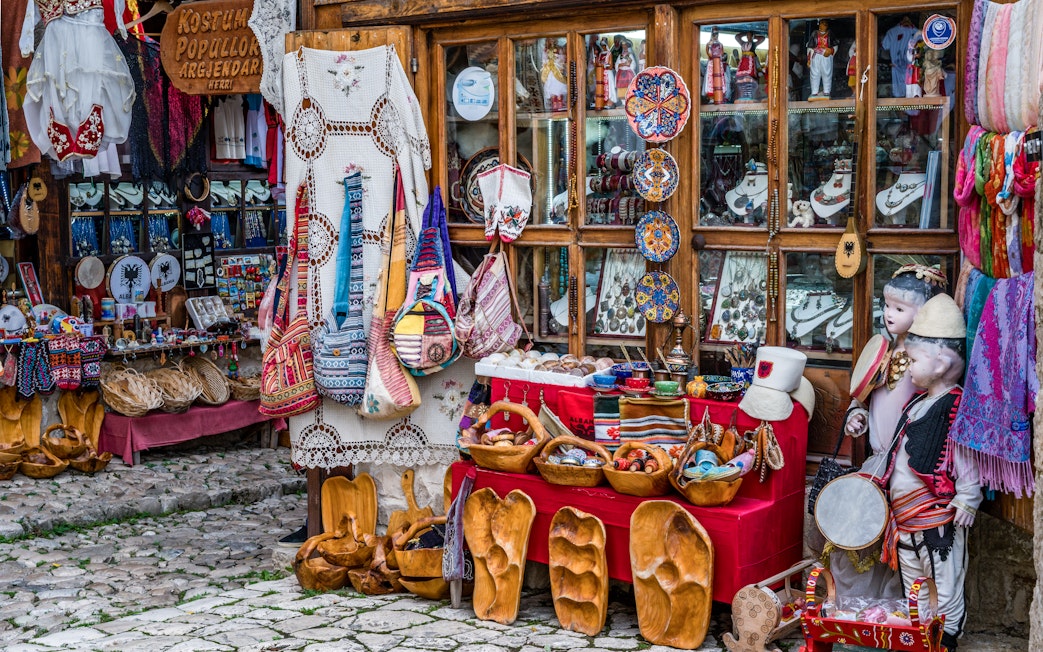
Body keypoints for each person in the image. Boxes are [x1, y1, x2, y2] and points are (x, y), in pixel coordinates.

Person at [876, 293, 980, 652]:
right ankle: (918, 636)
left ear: (940, 364)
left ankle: (944, 638)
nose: (907, 365)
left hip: (937, 522)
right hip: (905, 522)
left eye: (914, 359)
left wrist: (968, 497)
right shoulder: (917, 403)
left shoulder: (955, 405)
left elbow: (965, 455)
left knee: (944, 584)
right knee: (914, 585)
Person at [836, 264, 946, 598]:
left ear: (924, 313)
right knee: (860, 537)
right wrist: (857, 416)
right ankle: (860, 608)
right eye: (886, 306)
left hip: (908, 471)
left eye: (900, 308)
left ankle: (896, 611)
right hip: (876, 463)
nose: (888, 314)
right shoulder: (881, 352)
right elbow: (863, 398)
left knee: (903, 549)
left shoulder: (927, 362)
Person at [806, 19, 836, 99]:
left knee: (827, 73)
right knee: (815, 73)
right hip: (816, 55)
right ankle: (814, 91)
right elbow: (810, 47)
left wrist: (830, 51)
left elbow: (835, 46)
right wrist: (809, 59)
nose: (823, 26)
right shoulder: (814, 34)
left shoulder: (830, 34)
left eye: (825, 24)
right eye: (821, 24)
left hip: (826, 56)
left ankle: (827, 91)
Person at [734, 31, 765, 101]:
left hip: (750, 60)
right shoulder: (743, 43)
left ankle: (752, 93)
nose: (748, 37)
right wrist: (745, 33)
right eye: (747, 36)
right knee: (741, 76)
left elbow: (762, 38)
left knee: (752, 74)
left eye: (750, 35)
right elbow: (737, 37)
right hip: (743, 60)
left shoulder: (754, 44)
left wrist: (754, 37)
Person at [704, 27, 726, 104]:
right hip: (712, 63)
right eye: (714, 33)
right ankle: (711, 97)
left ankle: (719, 96)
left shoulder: (720, 44)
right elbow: (709, 54)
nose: (715, 35)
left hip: (718, 63)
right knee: (711, 79)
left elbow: (721, 54)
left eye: (716, 33)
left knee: (719, 79)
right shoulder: (709, 44)